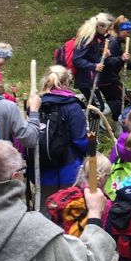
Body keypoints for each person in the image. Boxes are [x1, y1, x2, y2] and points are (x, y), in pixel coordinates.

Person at [36, 65, 88, 204]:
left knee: (45, 207)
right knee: (68, 209)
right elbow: (80, 140)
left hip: (40, 168)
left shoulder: (35, 104)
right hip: (68, 168)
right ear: (66, 82)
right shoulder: (73, 106)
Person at [102, 15, 131, 120]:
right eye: (127, 32)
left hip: (109, 79)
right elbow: (108, 62)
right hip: (108, 79)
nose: (128, 35)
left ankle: (108, 119)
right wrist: (121, 59)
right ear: (119, 31)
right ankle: (99, 115)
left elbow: (123, 60)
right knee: (121, 101)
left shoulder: (116, 43)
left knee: (121, 100)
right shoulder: (113, 43)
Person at [73, 12, 114, 110]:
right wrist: (94, 66)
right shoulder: (87, 38)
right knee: (98, 108)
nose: (108, 32)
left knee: (97, 107)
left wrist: (104, 55)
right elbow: (77, 59)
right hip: (86, 80)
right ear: (100, 27)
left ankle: (89, 122)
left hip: (90, 80)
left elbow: (92, 56)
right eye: (107, 29)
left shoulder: (95, 39)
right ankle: (88, 124)